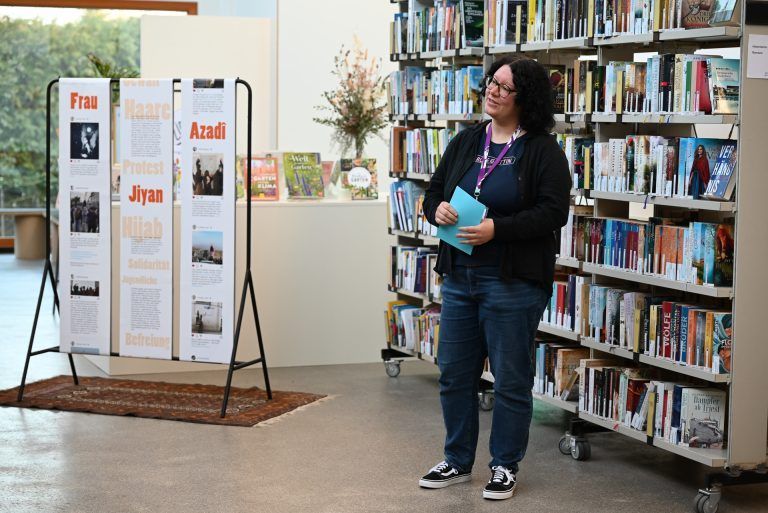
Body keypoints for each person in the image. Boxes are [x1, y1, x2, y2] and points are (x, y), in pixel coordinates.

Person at [419, 55, 571, 500]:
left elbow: (552, 213)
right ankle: (456, 460)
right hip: (461, 276)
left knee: (509, 378)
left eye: (505, 88)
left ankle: (504, 466)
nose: (493, 91)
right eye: (492, 83)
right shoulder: (467, 142)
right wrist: (436, 210)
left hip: (512, 282)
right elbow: (433, 191)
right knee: (454, 374)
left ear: (526, 98)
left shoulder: (542, 151)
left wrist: (496, 230)